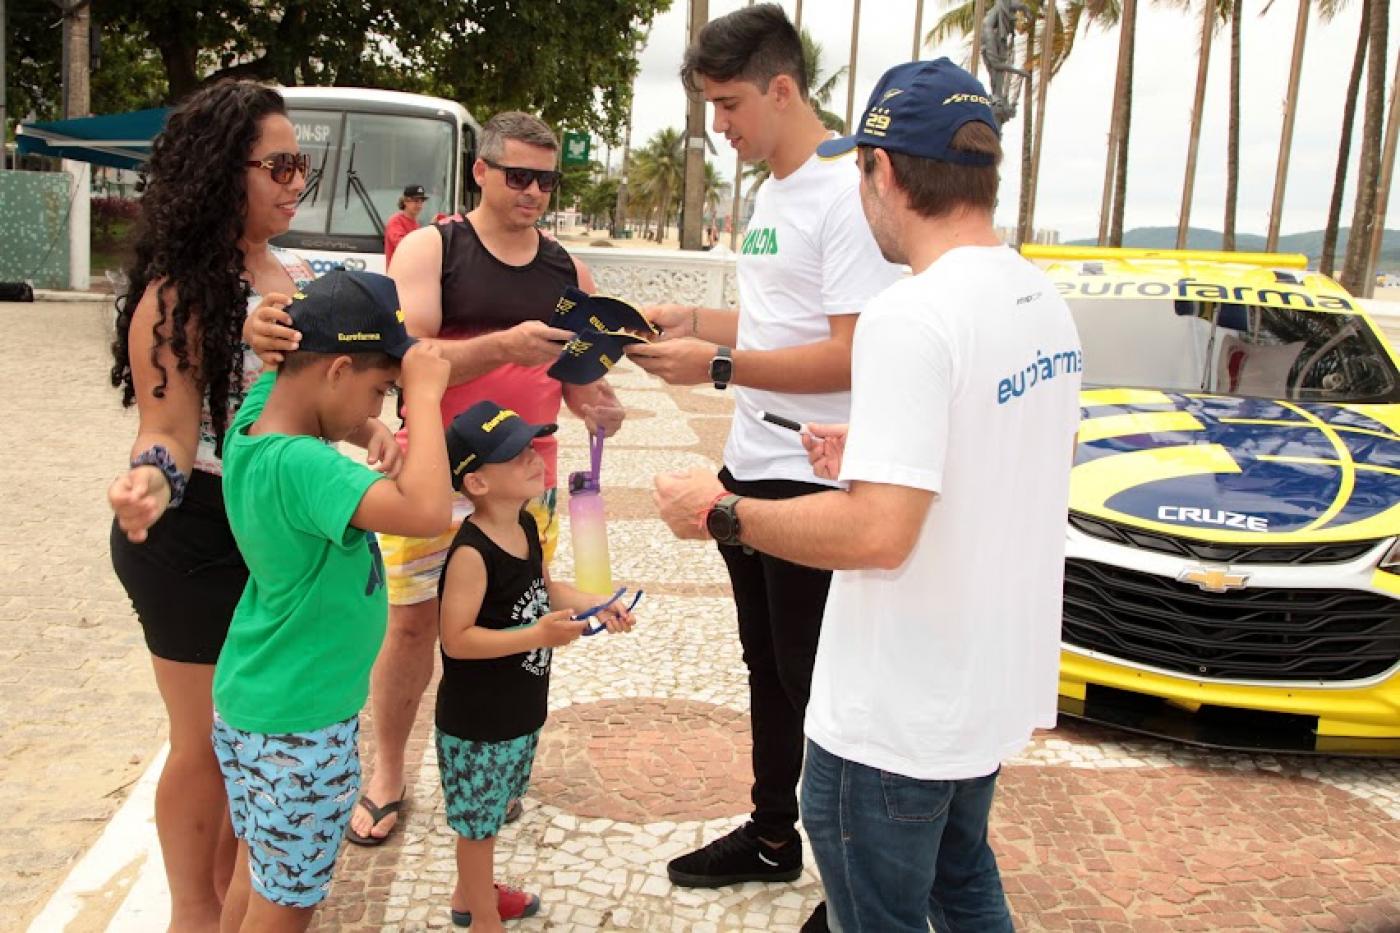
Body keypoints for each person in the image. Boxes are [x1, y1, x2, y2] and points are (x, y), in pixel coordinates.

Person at [653, 59, 1083, 932]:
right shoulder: (1039, 298)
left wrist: (720, 512)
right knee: (964, 889)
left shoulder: (910, 315)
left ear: (881, 170)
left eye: (861, 171)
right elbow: (1026, 448)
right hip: (981, 692)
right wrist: (883, 446)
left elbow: (879, 534)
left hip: (895, 718)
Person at [243, 110, 626, 857]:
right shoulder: (433, 248)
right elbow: (407, 353)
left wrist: (596, 403)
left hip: (525, 478)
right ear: (479, 171)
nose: (533, 193)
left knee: (514, 620)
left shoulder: (567, 271)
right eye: (517, 175)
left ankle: (496, 766)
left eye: (546, 180)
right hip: (434, 471)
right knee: (412, 625)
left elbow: (576, 377)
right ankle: (387, 774)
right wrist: (504, 345)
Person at [623, 4, 901, 909]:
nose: (719, 127)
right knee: (767, 664)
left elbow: (856, 352)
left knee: (817, 673)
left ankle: (853, 868)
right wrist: (695, 322)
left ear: (783, 88)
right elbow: (784, 323)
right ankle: (775, 832)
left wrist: (719, 362)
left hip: (816, 471)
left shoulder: (848, 192)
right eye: (709, 106)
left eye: (730, 104)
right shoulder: (775, 191)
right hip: (752, 456)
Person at [106, 79, 396, 932]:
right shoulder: (178, 295)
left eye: (300, 164)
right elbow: (165, 429)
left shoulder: (302, 276)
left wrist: (368, 429)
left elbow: (324, 397)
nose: (294, 180)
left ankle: (243, 903)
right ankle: (195, 914)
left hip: (271, 541)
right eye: (277, 164)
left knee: (256, 748)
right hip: (192, 536)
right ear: (218, 172)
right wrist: (147, 482)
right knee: (204, 743)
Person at [212, 269, 453, 931]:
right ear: (340, 368)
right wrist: (422, 400)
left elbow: (289, 378)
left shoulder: (250, 430)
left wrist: (360, 421)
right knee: (287, 905)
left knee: (253, 872)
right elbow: (428, 508)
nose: (380, 401)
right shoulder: (308, 468)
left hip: (251, 704)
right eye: (378, 388)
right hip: (303, 727)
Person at [435, 401, 636, 930]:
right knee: (476, 828)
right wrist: (536, 634)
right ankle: (483, 917)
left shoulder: (525, 524)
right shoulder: (471, 554)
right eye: (515, 454)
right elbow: (456, 640)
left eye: (530, 445)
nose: (532, 457)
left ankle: (469, 894)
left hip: (519, 707)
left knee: (493, 810)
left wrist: (597, 600)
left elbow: (544, 589)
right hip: (477, 720)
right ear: (476, 483)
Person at [385, 184, 429, 267]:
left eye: (421, 201)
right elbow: (403, 245)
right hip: (397, 274)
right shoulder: (395, 221)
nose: (419, 205)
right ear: (405, 201)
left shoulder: (416, 224)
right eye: (416, 201)